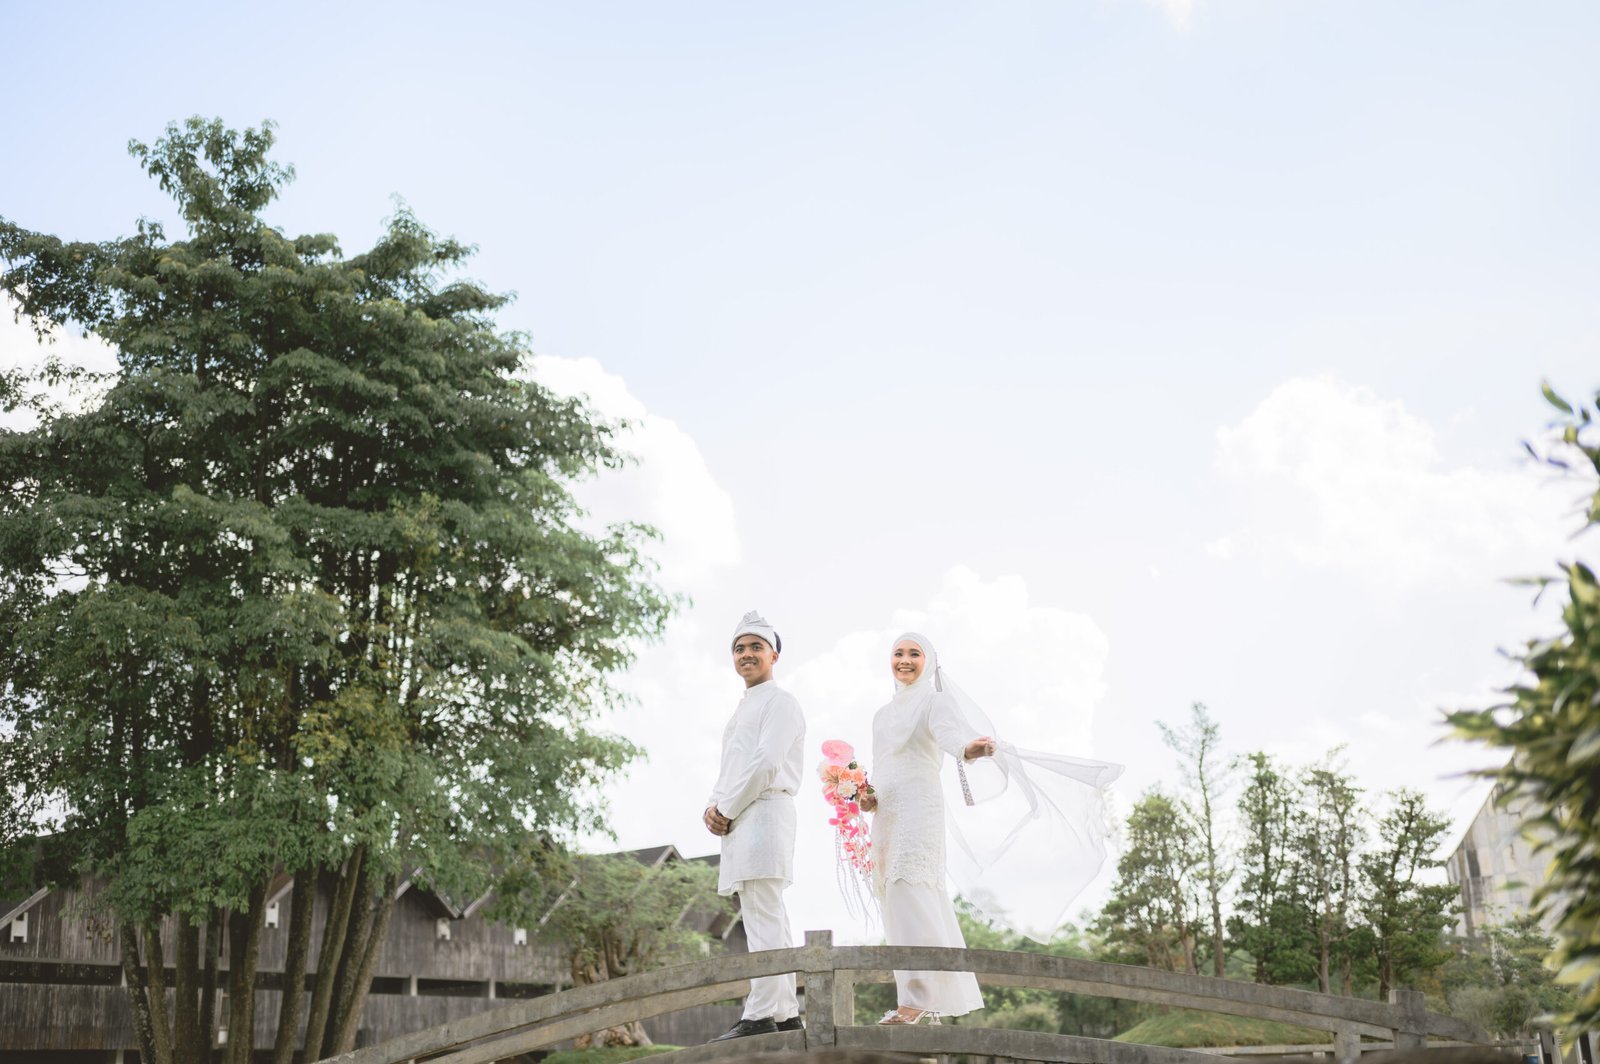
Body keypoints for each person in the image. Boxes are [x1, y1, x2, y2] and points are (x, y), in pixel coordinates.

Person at [859, 632, 1123, 1025]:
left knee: (911, 889)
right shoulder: (881, 715)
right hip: (887, 814)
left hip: (918, 809)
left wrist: (972, 749)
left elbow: (952, 739)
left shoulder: (935, 701)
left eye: (915, 654)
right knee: (892, 897)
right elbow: (881, 764)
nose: (905, 660)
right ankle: (912, 997)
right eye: (898, 653)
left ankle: (918, 1000)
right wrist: (867, 797)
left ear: (929, 662)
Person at [704, 610, 808, 1042]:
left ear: (774, 655)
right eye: (739, 648)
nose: (746, 654)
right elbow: (732, 766)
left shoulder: (780, 702)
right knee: (766, 915)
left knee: (765, 916)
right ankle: (785, 1012)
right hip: (743, 816)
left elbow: (766, 763)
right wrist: (713, 805)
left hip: (763, 812)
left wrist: (726, 807)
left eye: (755, 647)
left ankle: (760, 1013)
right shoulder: (744, 706)